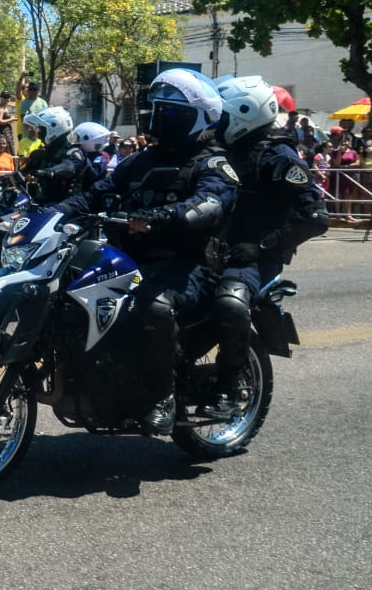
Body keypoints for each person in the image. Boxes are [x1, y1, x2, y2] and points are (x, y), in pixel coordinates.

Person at [56, 69, 238, 434]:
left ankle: (162, 396)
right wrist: (54, 212)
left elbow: (212, 202)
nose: (159, 119)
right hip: (131, 261)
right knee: (65, 292)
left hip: (188, 267)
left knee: (153, 306)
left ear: (197, 118)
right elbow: (98, 192)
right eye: (157, 111)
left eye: (169, 113)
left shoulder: (211, 162)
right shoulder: (141, 160)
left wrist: (163, 216)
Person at [208, 76, 329, 412]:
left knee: (230, 304)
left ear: (245, 113)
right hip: (211, 248)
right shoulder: (219, 151)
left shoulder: (278, 156)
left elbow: (314, 216)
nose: (218, 122)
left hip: (252, 257)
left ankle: (228, 386)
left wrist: (261, 247)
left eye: (224, 116)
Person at [18, 106, 90, 203]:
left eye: (41, 129)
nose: (38, 133)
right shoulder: (40, 154)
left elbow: (69, 167)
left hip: (66, 205)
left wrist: (48, 172)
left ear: (54, 128)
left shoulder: (74, 153)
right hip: (40, 203)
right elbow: (24, 172)